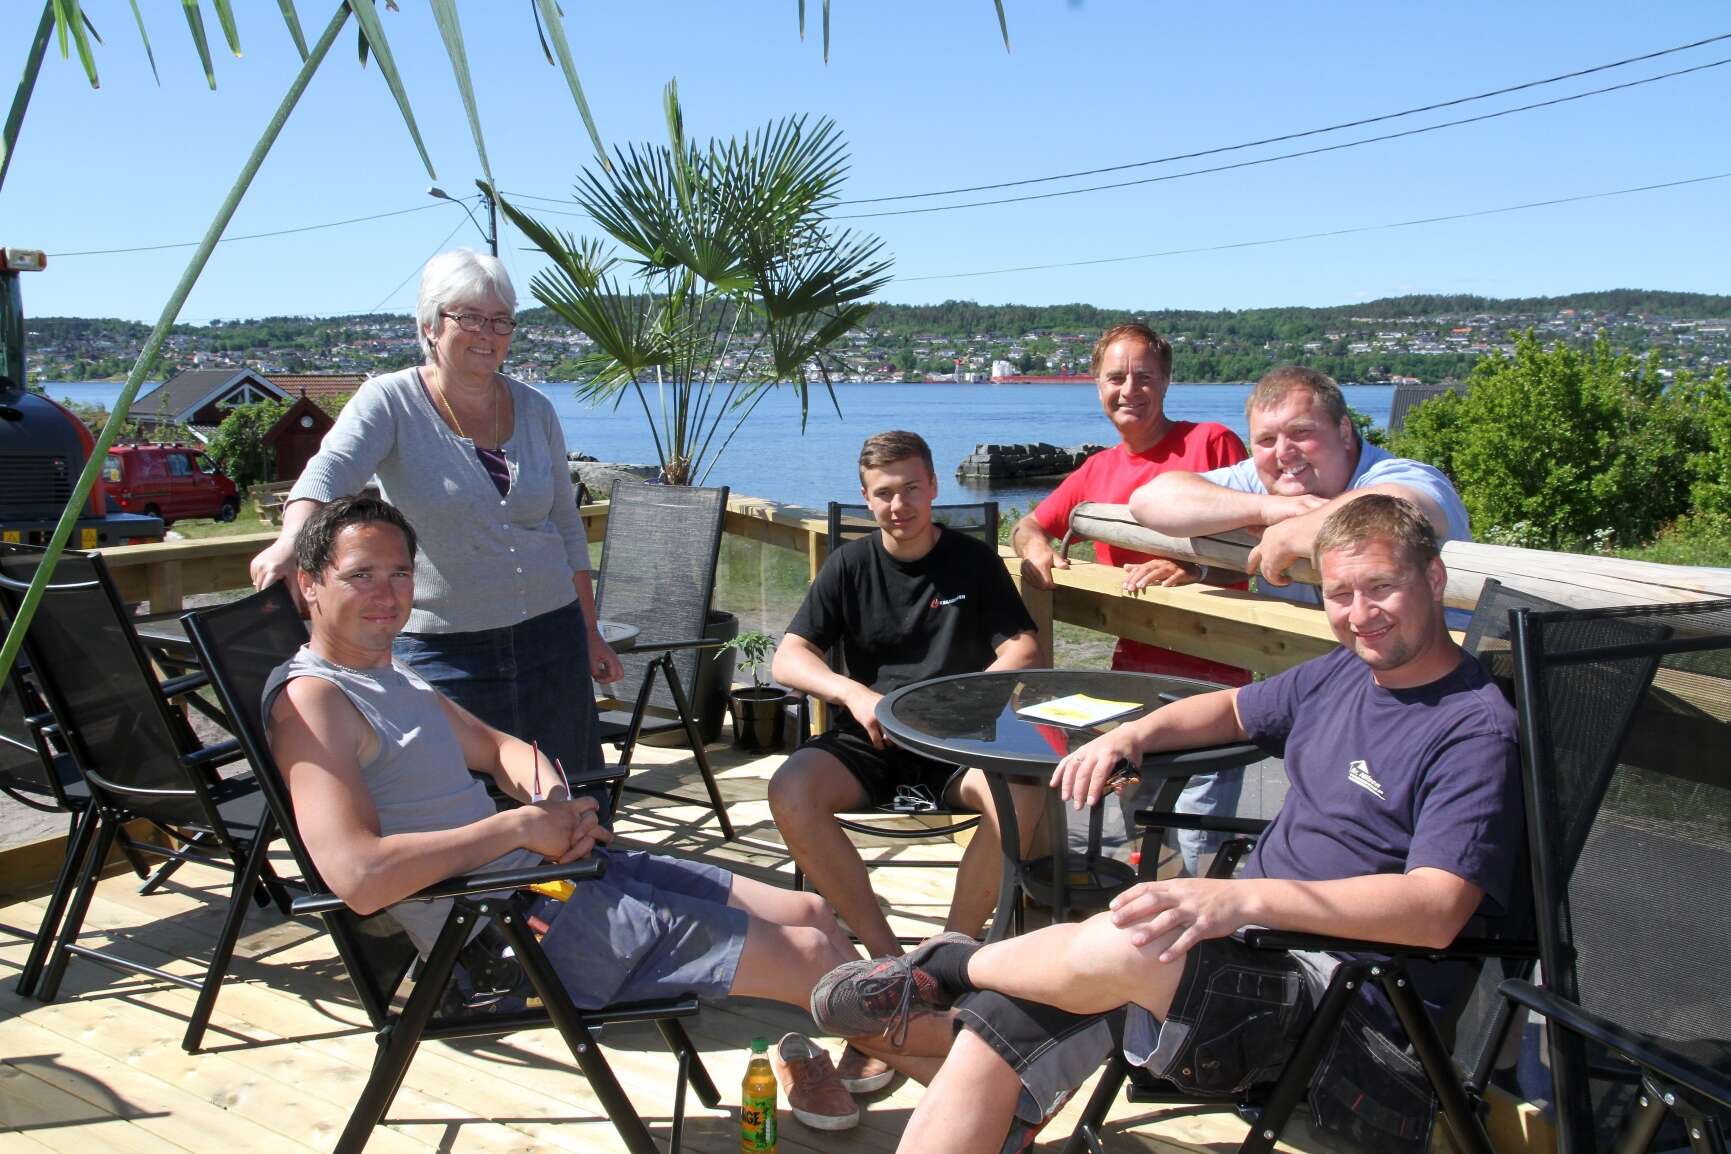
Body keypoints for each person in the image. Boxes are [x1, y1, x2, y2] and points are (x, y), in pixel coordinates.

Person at [810, 495, 1524, 1154]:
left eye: (1380, 587)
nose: (1360, 613)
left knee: (1131, 937)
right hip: (1248, 948)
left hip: (1350, 1003)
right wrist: (1133, 735)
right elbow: (1231, 709)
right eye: (1340, 594)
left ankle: (945, 966)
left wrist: (1236, 898)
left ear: (1433, 579)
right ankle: (962, 982)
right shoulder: (1344, 672)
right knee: (1000, 1020)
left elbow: (1436, 910)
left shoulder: (1472, 731)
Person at [265, 496, 951, 1132]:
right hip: (505, 933)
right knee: (809, 956)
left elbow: (502, 749)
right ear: (309, 585)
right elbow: (357, 877)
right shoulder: (313, 704)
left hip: (554, 879)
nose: (387, 594)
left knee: (811, 914)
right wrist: (517, 828)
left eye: (399, 573)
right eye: (361, 576)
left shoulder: (390, 673)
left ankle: (913, 1056)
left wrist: (554, 805)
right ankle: (978, 1075)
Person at [249, 249, 623, 816]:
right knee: (459, 809)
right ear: (430, 325)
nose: (486, 333)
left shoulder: (537, 409)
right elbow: (328, 472)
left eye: (500, 320)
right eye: (468, 317)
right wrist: (289, 541)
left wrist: (589, 631)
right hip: (447, 651)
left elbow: (567, 529)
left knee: (570, 796)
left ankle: (584, 876)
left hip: (552, 637)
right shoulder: (391, 401)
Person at [769, 430, 1044, 969]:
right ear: (866, 498)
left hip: (958, 741)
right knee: (790, 790)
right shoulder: (848, 565)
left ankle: (946, 957)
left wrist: (962, 699)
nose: (899, 505)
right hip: (871, 738)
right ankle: (889, 961)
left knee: (1022, 796)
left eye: (911, 488)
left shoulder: (973, 561)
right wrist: (853, 693)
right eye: (884, 493)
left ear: (934, 486)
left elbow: (1024, 648)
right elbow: (789, 658)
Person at [1012, 322, 1251, 878]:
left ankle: (1207, 927)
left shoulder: (1211, 443)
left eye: (1144, 377)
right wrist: (1036, 548)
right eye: (1115, 377)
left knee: (1199, 843)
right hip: (1133, 681)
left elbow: (1252, 545)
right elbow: (1029, 524)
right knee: (1146, 835)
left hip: (1213, 682)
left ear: (1165, 382)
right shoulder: (1098, 469)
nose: (1129, 390)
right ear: (1097, 385)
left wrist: (1190, 568)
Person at [1130, 364, 1471, 609]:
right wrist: (1269, 508)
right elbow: (1150, 501)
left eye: (1302, 432)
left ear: (1344, 430)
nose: (1283, 452)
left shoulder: (1399, 474)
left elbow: (1402, 506)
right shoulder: (1270, 480)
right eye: (1266, 439)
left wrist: (1289, 534)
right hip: (1317, 668)